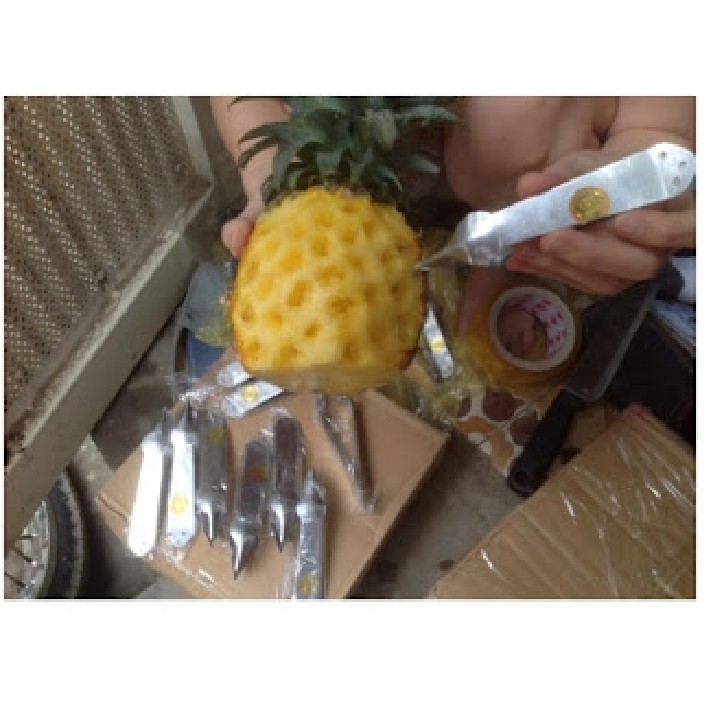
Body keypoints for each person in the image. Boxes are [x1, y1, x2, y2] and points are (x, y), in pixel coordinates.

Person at [210, 97, 695, 354]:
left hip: (526, 151)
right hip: (357, 157)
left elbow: (656, 119)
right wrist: (270, 175)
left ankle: (506, 244)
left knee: (515, 111)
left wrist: (637, 159)